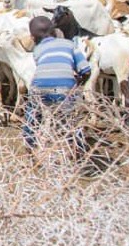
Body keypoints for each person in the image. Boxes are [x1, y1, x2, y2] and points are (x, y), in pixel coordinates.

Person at [23, 16, 91, 154]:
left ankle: (29, 141)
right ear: (54, 31)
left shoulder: (37, 50)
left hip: (39, 87)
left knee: (34, 112)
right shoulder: (69, 44)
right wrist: (78, 83)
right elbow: (86, 70)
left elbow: (45, 71)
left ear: (33, 37)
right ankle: (77, 147)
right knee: (71, 117)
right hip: (65, 88)